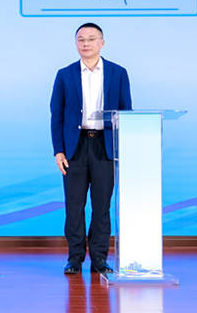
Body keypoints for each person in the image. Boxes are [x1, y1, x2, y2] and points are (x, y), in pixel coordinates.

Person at [50, 23, 131, 275]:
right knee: (74, 205)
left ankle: (99, 260)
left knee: (102, 206)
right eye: (81, 39)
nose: (86, 44)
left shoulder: (118, 73)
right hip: (75, 147)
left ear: (102, 43)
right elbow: (56, 115)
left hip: (104, 145)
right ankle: (74, 259)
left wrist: (124, 148)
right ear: (76, 44)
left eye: (91, 39)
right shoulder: (65, 74)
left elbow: (126, 113)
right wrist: (58, 150)